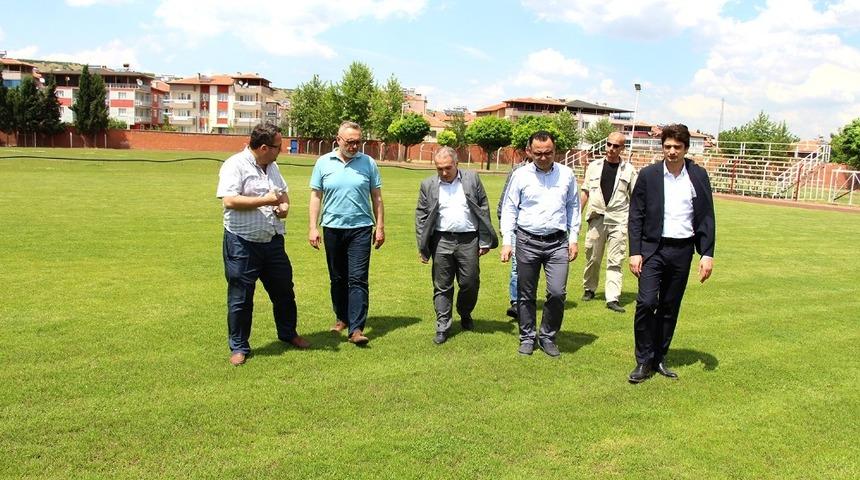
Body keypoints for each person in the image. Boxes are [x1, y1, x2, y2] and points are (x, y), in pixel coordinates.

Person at [627, 124, 715, 383]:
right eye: (667, 147)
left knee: (669, 306)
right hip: (652, 249)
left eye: (677, 147)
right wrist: (635, 252)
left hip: (683, 250)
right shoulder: (649, 175)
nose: (672, 151)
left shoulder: (698, 176)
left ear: (686, 149)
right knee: (645, 302)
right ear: (662, 147)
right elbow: (636, 216)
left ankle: (659, 358)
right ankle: (643, 361)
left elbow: (706, 216)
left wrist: (706, 253)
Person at [216, 123, 309, 366]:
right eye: (279, 146)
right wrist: (265, 200)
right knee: (241, 297)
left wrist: (284, 206)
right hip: (242, 243)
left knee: (284, 292)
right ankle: (239, 347)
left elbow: (282, 194)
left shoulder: (273, 166)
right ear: (265, 147)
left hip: (273, 241)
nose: (282, 150)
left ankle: (288, 333)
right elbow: (229, 200)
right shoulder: (234, 165)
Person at [500, 131, 581, 357]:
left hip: (557, 243)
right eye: (538, 153)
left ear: (555, 151)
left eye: (548, 153)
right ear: (529, 151)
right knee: (526, 293)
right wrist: (508, 241)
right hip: (527, 240)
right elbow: (509, 208)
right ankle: (527, 336)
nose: (543, 157)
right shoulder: (520, 175)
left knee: (557, 292)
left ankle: (547, 336)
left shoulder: (567, 175)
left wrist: (573, 238)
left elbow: (573, 206)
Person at [309, 121, 385, 346]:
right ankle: (341, 317)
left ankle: (356, 328)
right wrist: (313, 227)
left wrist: (379, 227)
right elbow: (316, 197)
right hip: (332, 227)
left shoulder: (368, 163)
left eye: (358, 142)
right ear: (338, 140)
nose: (354, 146)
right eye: (350, 142)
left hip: (361, 228)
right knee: (337, 278)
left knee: (358, 279)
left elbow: (377, 198)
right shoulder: (323, 163)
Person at [416, 147, 498, 344]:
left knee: (470, 282)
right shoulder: (428, 185)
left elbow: (483, 208)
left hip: (469, 240)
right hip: (441, 240)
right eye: (439, 169)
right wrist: (423, 246)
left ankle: (465, 312)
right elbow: (421, 216)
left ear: (457, 164)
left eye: (448, 168)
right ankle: (443, 324)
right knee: (442, 285)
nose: (444, 173)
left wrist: (485, 239)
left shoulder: (472, 179)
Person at [580, 131, 638, 313]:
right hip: (596, 218)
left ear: (622, 148)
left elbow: (635, 197)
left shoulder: (629, 170)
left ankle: (612, 297)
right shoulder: (594, 166)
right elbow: (585, 192)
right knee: (593, 258)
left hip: (618, 220)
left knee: (615, 260)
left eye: (616, 146)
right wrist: (575, 217)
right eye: (609, 145)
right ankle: (589, 288)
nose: (611, 149)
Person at [496, 157, 531, 321]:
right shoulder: (517, 170)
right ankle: (516, 302)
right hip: (517, 227)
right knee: (517, 266)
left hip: (537, 228)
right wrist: (503, 224)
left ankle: (526, 300)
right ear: (528, 150)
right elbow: (506, 197)